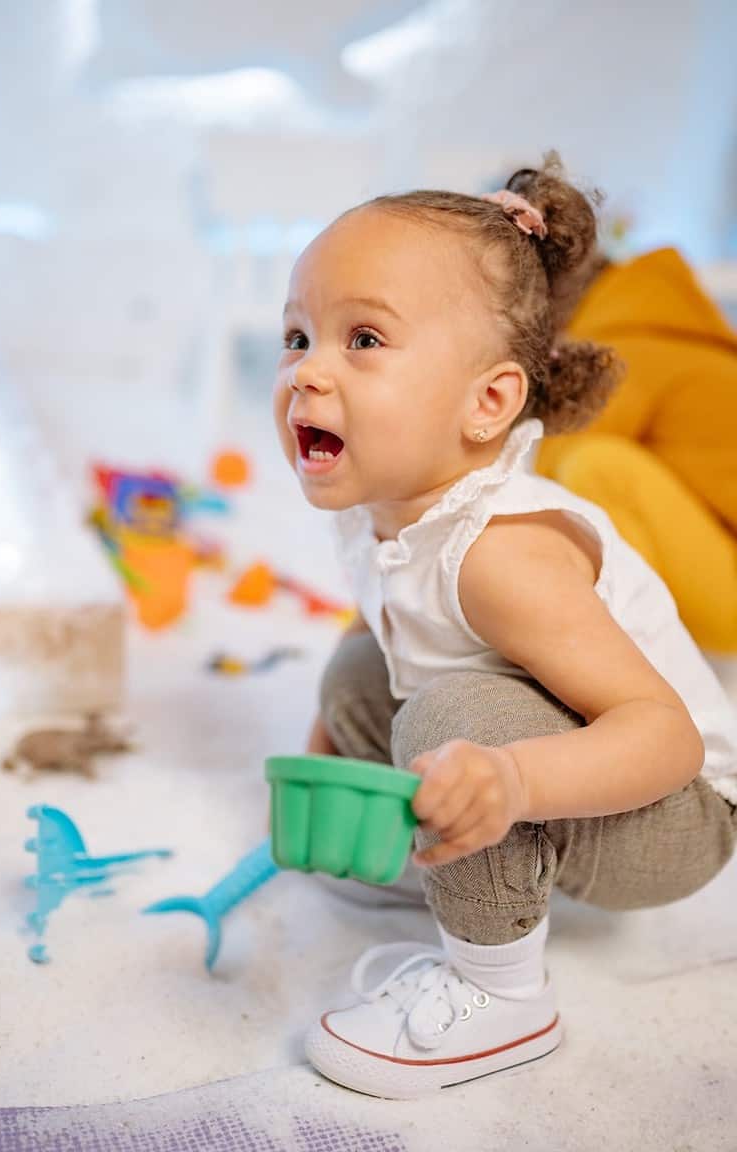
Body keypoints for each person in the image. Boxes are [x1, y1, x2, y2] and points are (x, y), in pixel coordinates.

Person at [272, 154, 737, 1100]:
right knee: (363, 669)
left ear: (488, 403)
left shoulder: (505, 556)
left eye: (362, 339)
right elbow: (382, 625)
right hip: (574, 765)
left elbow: (667, 736)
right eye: (297, 336)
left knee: (456, 722)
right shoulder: (382, 511)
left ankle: (501, 996)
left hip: (676, 814)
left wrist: (512, 779)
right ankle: (455, 861)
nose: (309, 373)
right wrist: (335, 757)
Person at [535, 245, 737, 653]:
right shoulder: (672, 332)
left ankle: (615, 655)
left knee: (597, 465)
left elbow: (546, 468)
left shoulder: (626, 351)